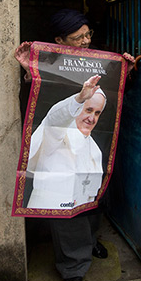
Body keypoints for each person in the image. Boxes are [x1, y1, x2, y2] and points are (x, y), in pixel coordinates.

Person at [15, 8, 133, 281]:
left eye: (88, 35)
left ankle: (89, 242)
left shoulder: (97, 63)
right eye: (77, 37)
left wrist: (123, 71)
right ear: (59, 39)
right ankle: (73, 271)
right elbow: (50, 114)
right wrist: (31, 68)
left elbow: (112, 94)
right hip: (57, 143)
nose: (86, 41)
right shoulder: (47, 64)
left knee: (92, 197)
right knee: (65, 208)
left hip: (90, 145)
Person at [26, 75, 106, 210]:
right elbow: (54, 119)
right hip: (51, 211)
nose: (92, 118)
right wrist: (80, 98)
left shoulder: (94, 148)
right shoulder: (57, 133)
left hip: (77, 212)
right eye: (88, 110)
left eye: (97, 113)